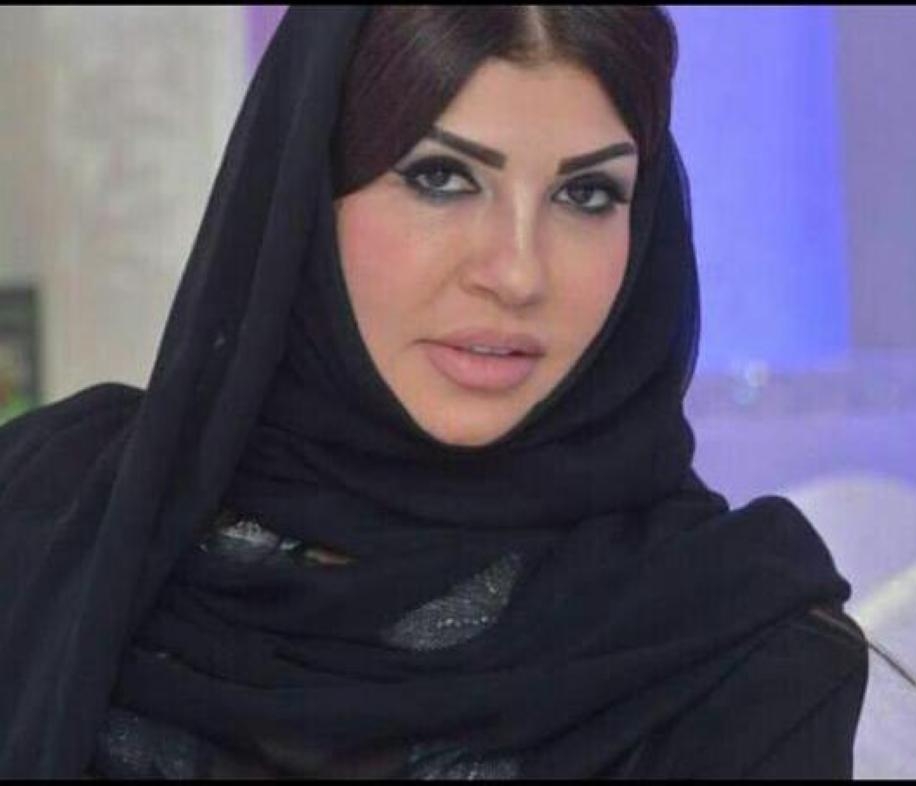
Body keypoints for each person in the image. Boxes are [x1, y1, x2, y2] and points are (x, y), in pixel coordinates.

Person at [0, 6, 869, 778]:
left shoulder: (736, 646)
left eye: (587, 193)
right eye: (442, 178)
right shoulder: (48, 513)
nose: (518, 273)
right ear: (309, 193)